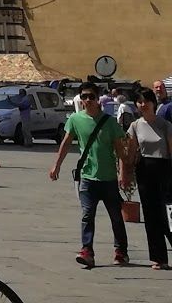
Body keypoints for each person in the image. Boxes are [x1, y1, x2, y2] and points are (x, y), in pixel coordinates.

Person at [51, 80, 133, 268]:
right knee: (87, 215)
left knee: (115, 216)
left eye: (91, 96)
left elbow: (120, 150)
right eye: (84, 96)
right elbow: (65, 143)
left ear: (98, 99)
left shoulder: (110, 122)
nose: (88, 100)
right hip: (87, 178)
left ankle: (121, 251)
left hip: (109, 178)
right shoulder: (75, 119)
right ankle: (87, 251)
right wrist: (56, 165)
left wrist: (124, 174)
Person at [123, 87, 172, 271]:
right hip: (144, 170)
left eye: (146, 101)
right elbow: (129, 152)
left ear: (153, 103)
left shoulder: (165, 125)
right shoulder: (136, 125)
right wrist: (125, 173)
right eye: (139, 102)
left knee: (166, 214)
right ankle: (159, 258)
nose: (143, 105)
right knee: (151, 216)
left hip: (164, 170)